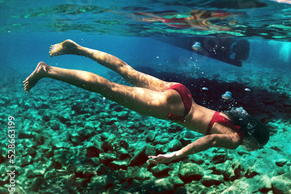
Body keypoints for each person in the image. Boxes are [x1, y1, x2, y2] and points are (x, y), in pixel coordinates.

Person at [23, 40, 269, 165]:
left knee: (125, 70)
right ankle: (47, 70)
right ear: (251, 138)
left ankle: (79, 49)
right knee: (108, 89)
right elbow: (211, 139)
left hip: (181, 93)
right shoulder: (236, 139)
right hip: (173, 108)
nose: (252, 149)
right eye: (255, 147)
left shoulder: (236, 118)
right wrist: (176, 154)